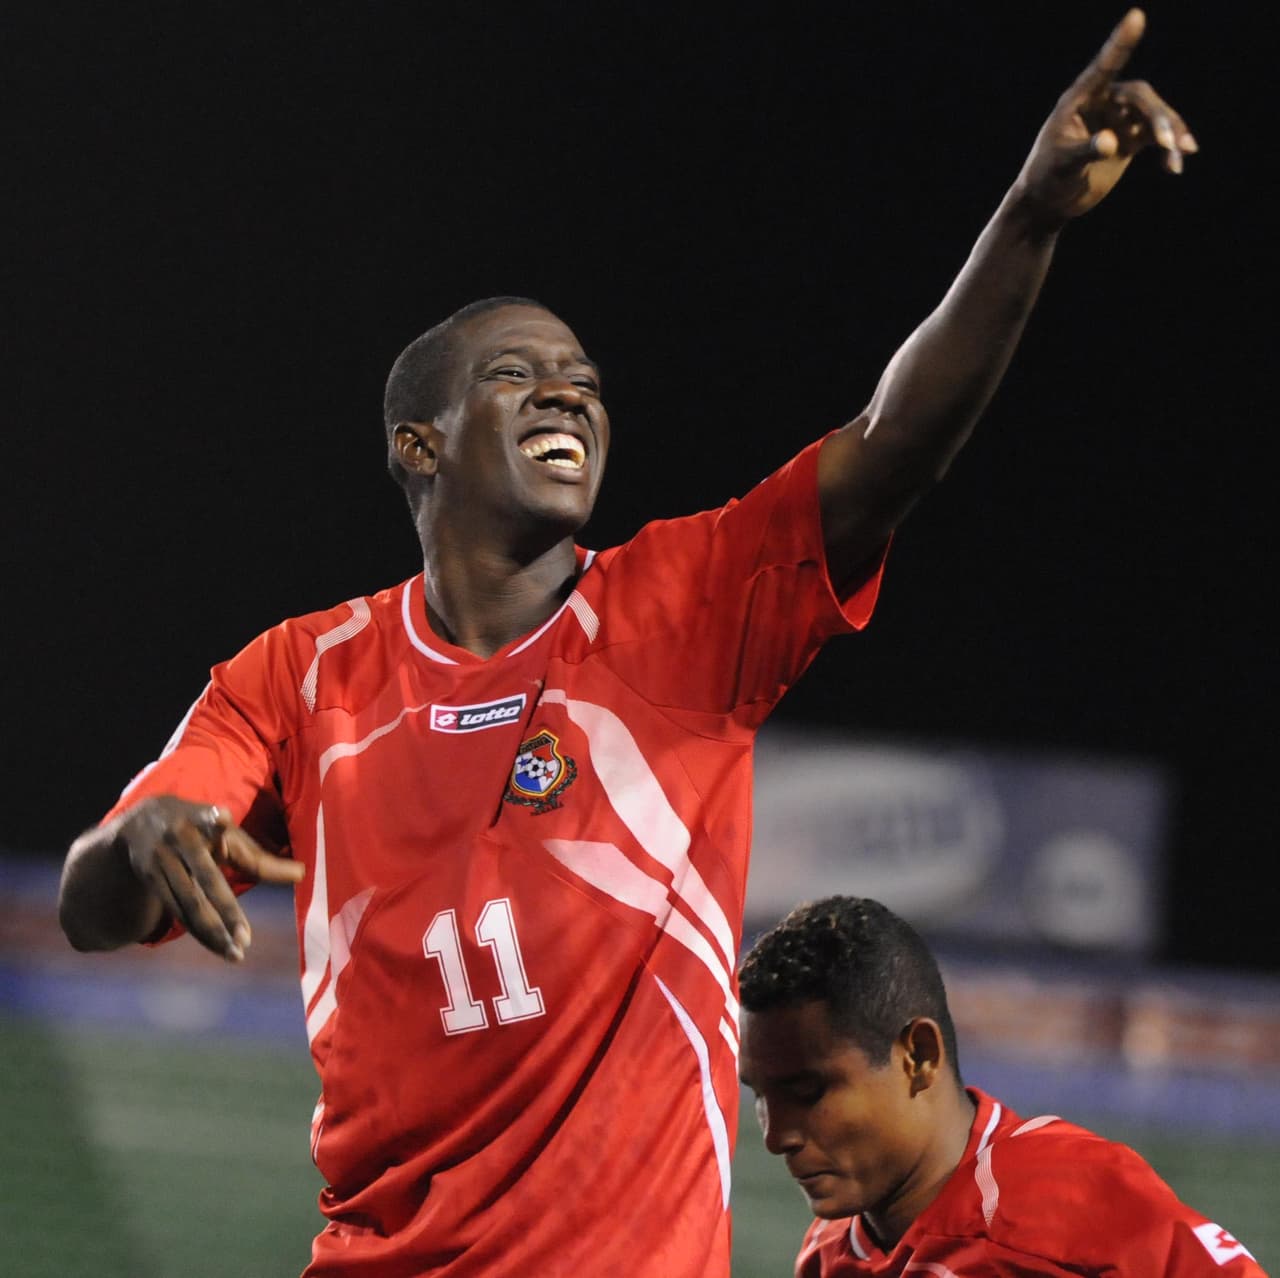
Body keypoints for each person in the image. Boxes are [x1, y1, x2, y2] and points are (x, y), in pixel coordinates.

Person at [58, 11, 1197, 1278]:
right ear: (417, 445)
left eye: (585, 379)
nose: (567, 390)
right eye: (513, 373)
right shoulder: (297, 676)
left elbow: (892, 448)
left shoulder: (683, 611)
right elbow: (95, 905)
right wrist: (138, 841)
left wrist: (1026, 218)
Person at [738, 896, 1268, 1277]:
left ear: (918, 1057)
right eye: (761, 1096)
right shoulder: (829, 1251)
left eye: (809, 1092)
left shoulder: (1067, 1202)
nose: (776, 1135)